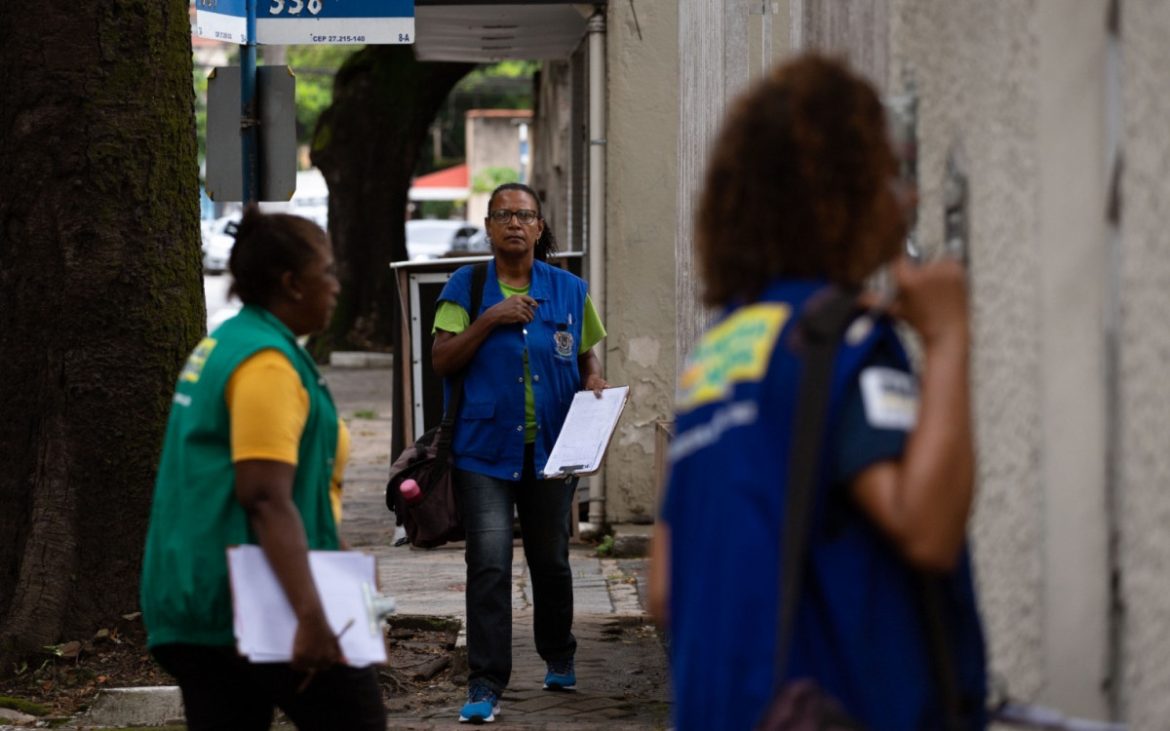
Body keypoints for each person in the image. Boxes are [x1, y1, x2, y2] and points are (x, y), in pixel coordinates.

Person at [649, 55, 987, 730]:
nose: (910, 197)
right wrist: (949, 339)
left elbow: (663, 587)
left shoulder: (719, 352)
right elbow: (926, 527)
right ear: (841, 191)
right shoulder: (843, 340)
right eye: (891, 175)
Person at [140, 207, 386, 731]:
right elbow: (265, 497)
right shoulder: (264, 364)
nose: (337, 286)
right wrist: (312, 612)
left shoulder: (229, 343)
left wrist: (347, 577)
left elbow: (298, 493)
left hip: (206, 602)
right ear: (292, 283)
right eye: (328, 271)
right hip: (248, 602)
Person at [431, 182, 608, 724]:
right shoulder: (467, 285)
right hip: (483, 451)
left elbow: (585, 355)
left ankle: (559, 652)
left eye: (524, 215)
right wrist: (491, 319)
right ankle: (486, 681)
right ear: (487, 226)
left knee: (550, 560)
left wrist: (595, 377)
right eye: (503, 214)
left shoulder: (569, 289)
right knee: (487, 564)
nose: (514, 223)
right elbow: (441, 360)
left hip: (552, 450)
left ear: (538, 227)